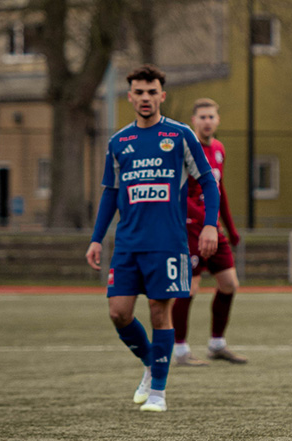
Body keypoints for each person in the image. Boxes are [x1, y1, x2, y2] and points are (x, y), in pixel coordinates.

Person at [85, 64, 220, 412]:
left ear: (162, 95)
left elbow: (208, 181)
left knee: (160, 313)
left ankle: (158, 391)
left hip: (168, 243)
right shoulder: (119, 142)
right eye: (139, 92)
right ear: (130, 97)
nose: (145, 98)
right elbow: (110, 193)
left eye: (152, 92)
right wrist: (97, 238)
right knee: (118, 313)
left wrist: (209, 225)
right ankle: (150, 362)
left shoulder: (180, 135)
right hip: (128, 243)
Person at [171, 98, 247, 366]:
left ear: (218, 120)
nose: (207, 121)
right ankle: (180, 350)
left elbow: (218, 189)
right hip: (190, 227)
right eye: (202, 117)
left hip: (212, 227)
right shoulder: (185, 149)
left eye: (211, 117)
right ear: (194, 121)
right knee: (189, 288)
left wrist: (230, 228)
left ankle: (217, 344)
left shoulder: (218, 148)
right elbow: (180, 193)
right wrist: (208, 222)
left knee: (229, 284)